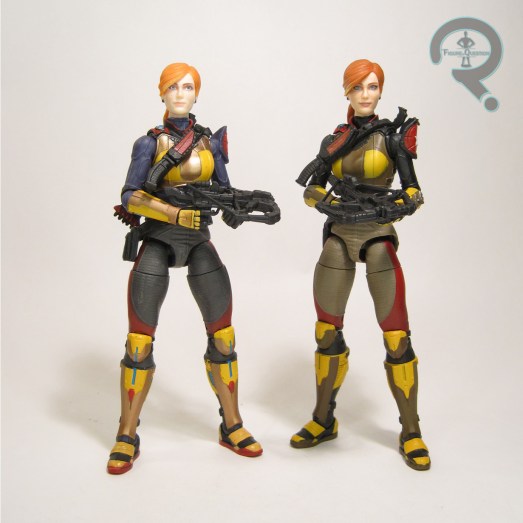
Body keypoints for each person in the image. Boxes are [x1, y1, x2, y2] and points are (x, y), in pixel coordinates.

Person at [107, 63, 263, 475]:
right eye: (173, 87)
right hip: (159, 238)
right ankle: (126, 432)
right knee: (139, 343)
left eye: (188, 87)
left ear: (197, 94)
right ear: (162, 93)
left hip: (197, 242)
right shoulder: (149, 143)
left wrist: (240, 208)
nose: (180, 93)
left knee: (223, 336)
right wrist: (174, 214)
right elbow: (130, 195)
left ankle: (232, 424)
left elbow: (224, 189)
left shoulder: (209, 142)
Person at [291, 59, 430, 471]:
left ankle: (411, 430)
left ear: (380, 91)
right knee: (326, 331)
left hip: (377, 234)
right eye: (357, 87)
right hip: (339, 233)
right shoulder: (335, 140)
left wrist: (401, 204)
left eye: (372, 87)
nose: (365, 94)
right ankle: (323, 420)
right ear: (347, 92)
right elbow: (311, 188)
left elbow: (413, 189)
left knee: (396, 337)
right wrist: (326, 201)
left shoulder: (392, 138)